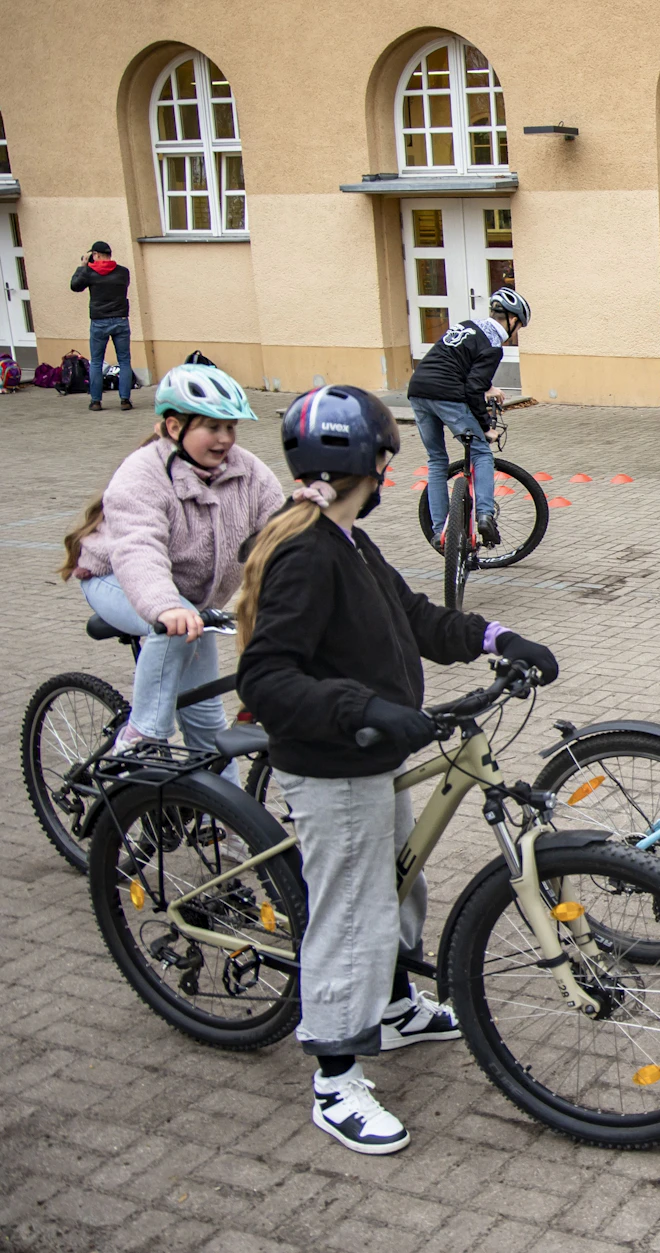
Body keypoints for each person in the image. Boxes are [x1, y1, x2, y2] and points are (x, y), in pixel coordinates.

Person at [234, 384, 559, 1154]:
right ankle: (335, 1074)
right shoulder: (306, 551)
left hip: (371, 759)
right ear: (369, 463)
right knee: (353, 910)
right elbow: (267, 676)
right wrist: (365, 708)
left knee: (401, 879)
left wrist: (497, 636)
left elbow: (413, 617)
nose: (391, 471)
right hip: (332, 765)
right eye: (388, 459)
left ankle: (393, 1002)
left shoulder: (342, 536)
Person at [58, 363, 283, 763]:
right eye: (212, 428)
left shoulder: (248, 472)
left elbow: (282, 536)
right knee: (174, 628)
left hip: (190, 605)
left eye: (230, 427)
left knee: (207, 721)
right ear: (175, 427)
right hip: (117, 579)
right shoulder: (143, 472)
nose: (225, 439)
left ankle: (222, 825)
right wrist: (165, 605)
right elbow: (138, 548)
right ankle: (140, 739)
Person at [407, 287, 531, 548]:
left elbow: (458, 365)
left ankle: (441, 531)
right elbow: (472, 387)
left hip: (418, 390)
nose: (515, 333)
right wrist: (486, 427)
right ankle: (485, 515)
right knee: (481, 453)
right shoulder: (493, 346)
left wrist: (488, 387)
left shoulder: (467, 327)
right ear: (512, 320)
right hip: (446, 396)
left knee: (437, 460)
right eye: (518, 327)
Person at [70, 241, 135, 412]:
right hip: (120, 319)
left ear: (96, 255)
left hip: (99, 321)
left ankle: (96, 401)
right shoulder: (123, 272)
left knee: (97, 362)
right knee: (124, 361)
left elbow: (75, 286)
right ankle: (125, 400)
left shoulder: (90, 272)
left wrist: (83, 266)